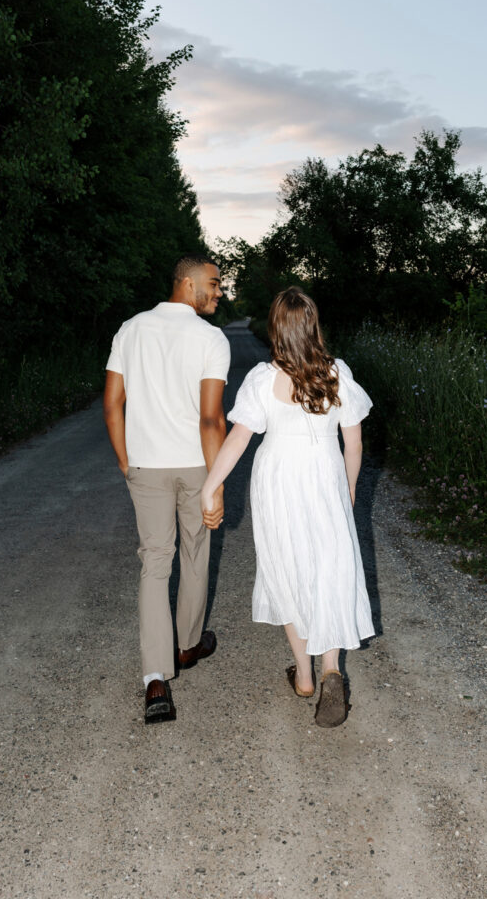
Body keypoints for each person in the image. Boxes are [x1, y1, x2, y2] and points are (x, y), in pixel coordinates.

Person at [200, 286, 374, 728]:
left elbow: (238, 438)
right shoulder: (337, 374)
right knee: (330, 568)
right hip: (324, 477)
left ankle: (303, 675)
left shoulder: (262, 379)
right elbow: (353, 443)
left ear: (276, 330)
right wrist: (349, 488)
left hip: (277, 480)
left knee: (287, 567)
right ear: (314, 327)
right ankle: (332, 667)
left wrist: (211, 484)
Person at [103, 255, 230, 724]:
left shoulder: (131, 329)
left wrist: (124, 459)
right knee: (196, 551)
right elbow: (210, 418)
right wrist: (215, 484)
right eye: (213, 284)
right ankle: (187, 646)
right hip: (196, 464)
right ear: (187, 282)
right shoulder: (209, 339)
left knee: (156, 563)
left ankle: (156, 679)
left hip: (146, 464)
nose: (219, 292)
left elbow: (113, 404)